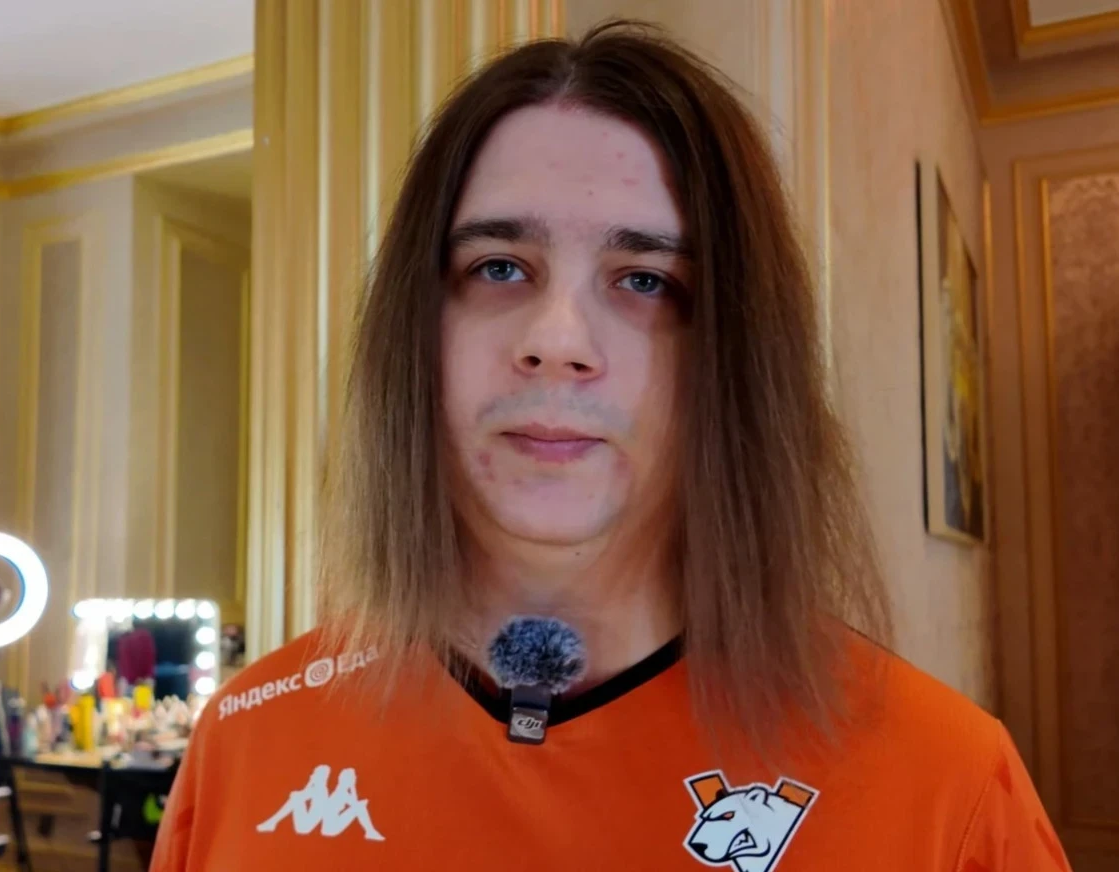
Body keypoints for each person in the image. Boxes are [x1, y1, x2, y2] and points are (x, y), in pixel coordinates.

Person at [152, 21, 1067, 871]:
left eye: (645, 279)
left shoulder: (947, 791)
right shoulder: (247, 746)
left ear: (736, 358)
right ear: (415, 333)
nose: (557, 340)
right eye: (499, 267)